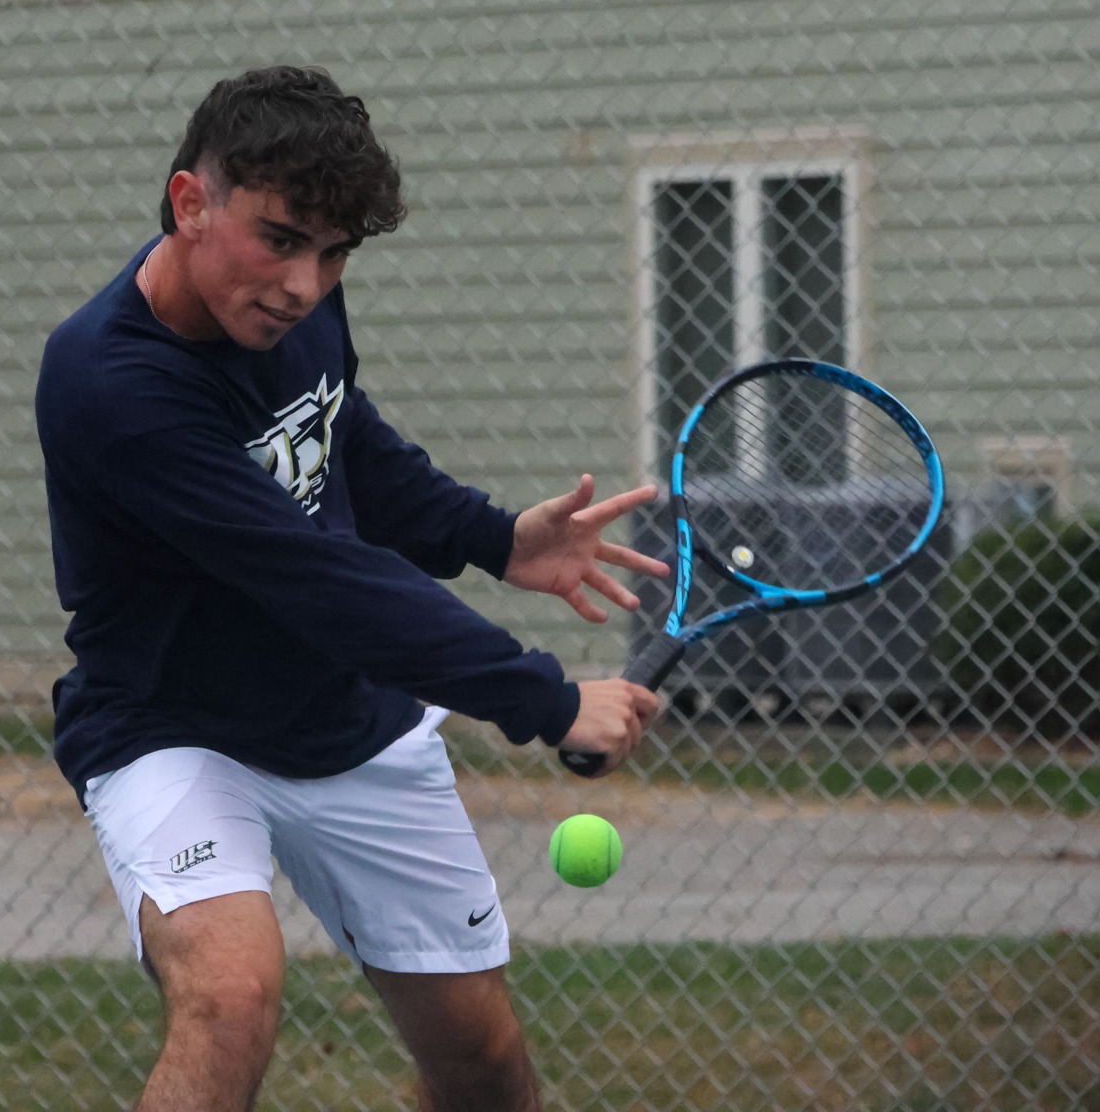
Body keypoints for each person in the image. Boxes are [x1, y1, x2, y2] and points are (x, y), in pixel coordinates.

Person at [34, 64, 664, 1112]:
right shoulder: (110, 382)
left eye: (334, 254)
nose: (305, 284)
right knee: (229, 997)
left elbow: (346, 440)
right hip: (171, 727)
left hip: (349, 723)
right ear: (192, 203)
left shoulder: (289, 312)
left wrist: (497, 537)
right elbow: (315, 576)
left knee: (484, 1070)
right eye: (281, 239)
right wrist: (544, 698)